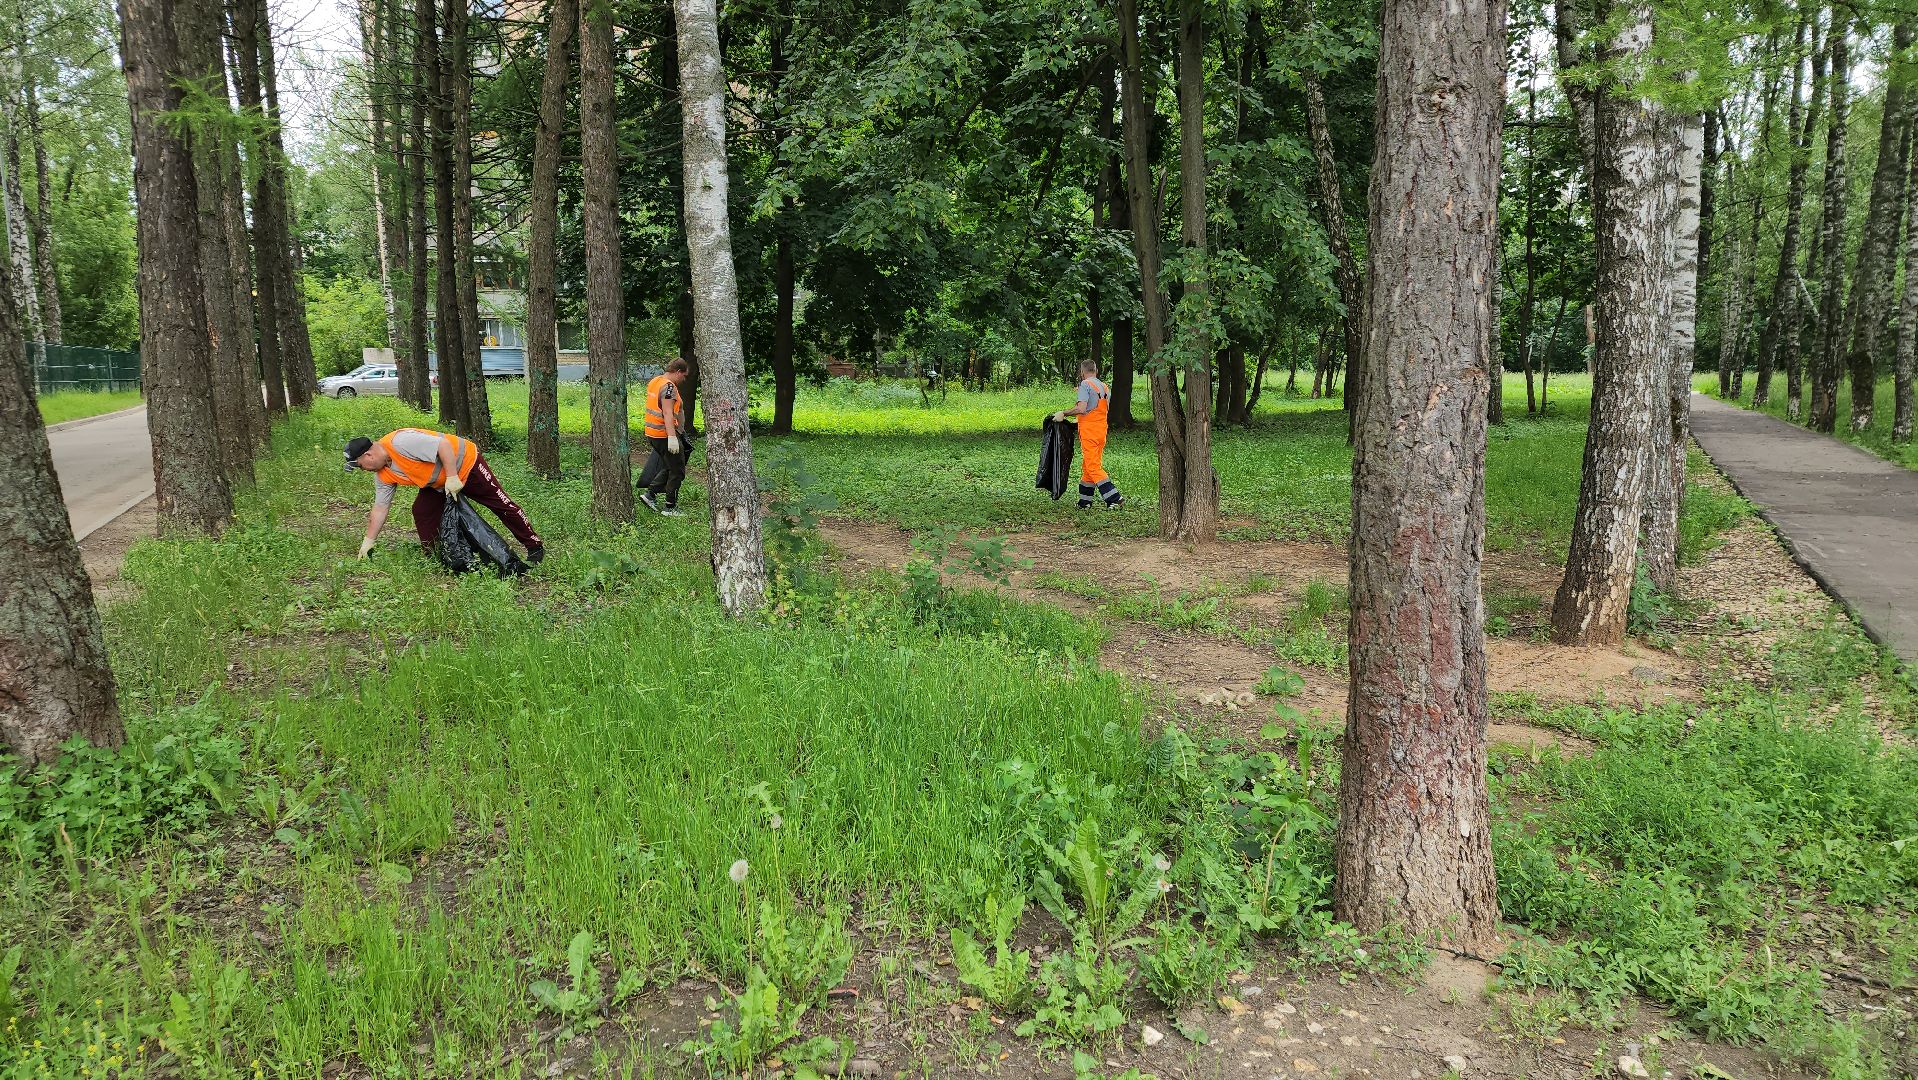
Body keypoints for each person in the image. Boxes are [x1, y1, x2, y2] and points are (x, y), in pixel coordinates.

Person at [345, 427, 544, 563]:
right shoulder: (382, 474)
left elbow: (443, 446)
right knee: (422, 511)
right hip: (439, 483)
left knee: (500, 504)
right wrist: (368, 541)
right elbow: (380, 508)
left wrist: (452, 477)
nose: (364, 471)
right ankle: (433, 555)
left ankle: (533, 546)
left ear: (368, 456)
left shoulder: (401, 442)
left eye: (361, 467)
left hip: (465, 465)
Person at [1052, 359, 1126, 509]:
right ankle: (1085, 502)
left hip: (1089, 433)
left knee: (1092, 467)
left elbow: (1082, 408)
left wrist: (1064, 413)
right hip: (1101, 431)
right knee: (1088, 466)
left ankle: (1115, 498)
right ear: (1096, 371)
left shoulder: (1085, 385)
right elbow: (1097, 410)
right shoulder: (1104, 387)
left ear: (1082, 372)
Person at [638, 358, 692, 516]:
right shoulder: (669, 387)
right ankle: (670, 507)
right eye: (684, 375)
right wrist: (672, 438)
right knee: (678, 470)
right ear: (678, 372)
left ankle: (650, 495)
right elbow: (667, 413)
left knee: (670, 466)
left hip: (653, 433)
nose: (684, 379)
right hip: (664, 434)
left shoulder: (656, 381)